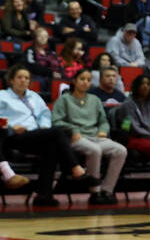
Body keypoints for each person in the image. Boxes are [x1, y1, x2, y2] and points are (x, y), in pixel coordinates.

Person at [0, 65, 97, 205]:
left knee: (51, 146)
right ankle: (75, 169)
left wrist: (45, 128)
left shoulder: (34, 96)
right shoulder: (2, 96)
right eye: (19, 77)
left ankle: (43, 196)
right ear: (11, 80)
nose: (23, 80)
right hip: (13, 136)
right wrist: (11, 127)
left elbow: (45, 115)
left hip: (36, 134)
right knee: (57, 132)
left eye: (26, 78)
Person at [51, 69, 127, 205]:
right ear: (74, 81)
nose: (86, 82)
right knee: (95, 150)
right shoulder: (64, 100)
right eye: (82, 79)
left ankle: (107, 190)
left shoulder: (95, 99)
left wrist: (103, 130)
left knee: (121, 150)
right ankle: (95, 191)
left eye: (88, 80)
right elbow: (57, 121)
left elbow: (103, 121)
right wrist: (73, 129)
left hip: (95, 136)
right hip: (75, 138)